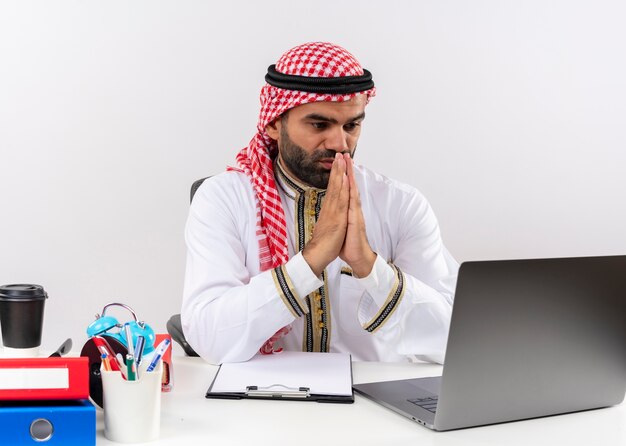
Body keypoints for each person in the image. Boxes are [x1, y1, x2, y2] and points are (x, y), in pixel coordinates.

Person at [182, 42, 458, 365]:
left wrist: (369, 265)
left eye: (351, 125)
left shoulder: (401, 205)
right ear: (274, 123)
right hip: (263, 404)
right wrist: (310, 261)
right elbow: (208, 336)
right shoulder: (224, 199)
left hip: (371, 406)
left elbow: (449, 341)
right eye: (319, 125)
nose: (340, 143)